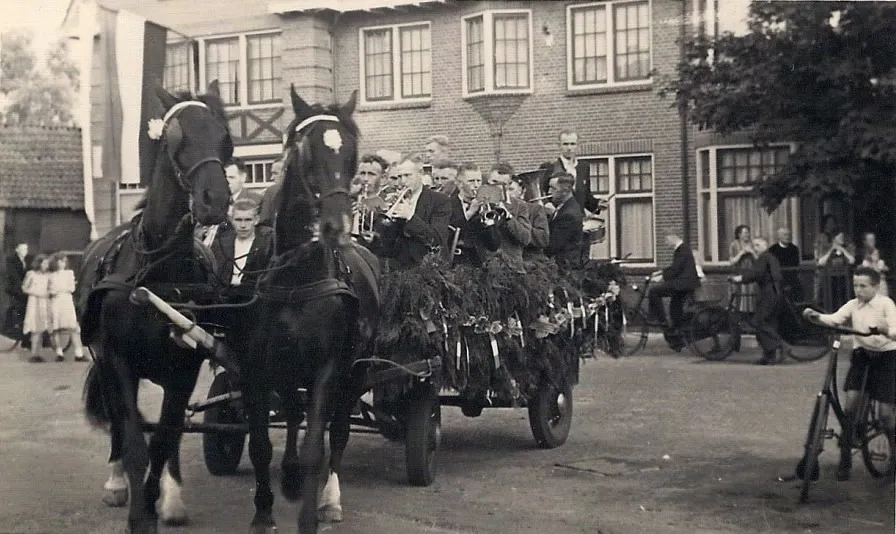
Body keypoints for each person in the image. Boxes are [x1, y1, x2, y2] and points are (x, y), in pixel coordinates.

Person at [803, 266, 896, 481]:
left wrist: (885, 331)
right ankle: (845, 457)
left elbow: (894, 329)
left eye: (863, 286)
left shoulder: (885, 304)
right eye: (855, 285)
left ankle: (893, 451)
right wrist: (816, 316)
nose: (858, 290)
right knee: (850, 406)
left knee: (884, 413)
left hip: (886, 357)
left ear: (875, 286)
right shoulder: (854, 305)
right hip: (862, 355)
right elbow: (835, 319)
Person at [374, 156, 452, 269]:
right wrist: (386, 213)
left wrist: (410, 216)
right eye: (399, 177)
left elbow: (437, 240)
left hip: (427, 263)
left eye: (407, 175)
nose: (403, 181)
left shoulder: (440, 200)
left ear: (420, 173)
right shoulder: (397, 199)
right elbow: (387, 243)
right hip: (399, 261)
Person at [731, 237, 791, 365]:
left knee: (759, 321)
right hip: (776, 293)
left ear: (765, 246)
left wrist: (740, 278)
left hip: (768, 293)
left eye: (757, 245)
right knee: (769, 323)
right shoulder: (771, 257)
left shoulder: (764, 257)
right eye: (754, 246)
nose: (755, 248)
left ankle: (782, 345)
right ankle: (769, 356)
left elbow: (757, 273)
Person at [647, 234, 701, 351]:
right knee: (674, 309)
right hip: (684, 284)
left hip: (682, 284)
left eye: (666, 240)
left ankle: (661, 321)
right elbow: (675, 267)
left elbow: (676, 270)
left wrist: (661, 277)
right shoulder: (683, 249)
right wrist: (660, 272)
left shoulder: (682, 249)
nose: (666, 244)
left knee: (654, 291)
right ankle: (676, 338)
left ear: (672, 237)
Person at [208, 199, 273, 290]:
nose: (243, 225)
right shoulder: (220, 243)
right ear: (231, 220)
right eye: (238, 220)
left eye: (248, 220)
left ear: (256, 220)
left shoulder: (266, 245)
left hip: (253, 296)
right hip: (224, 296)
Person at [448, 162, 501, 267]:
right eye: (471, 181)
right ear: (459, 183)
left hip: (479, 266)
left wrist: (488, 221)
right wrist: (470, 213)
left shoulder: (487, 207)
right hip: (456, 264)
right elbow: (448, 235)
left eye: (479, 181)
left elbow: (494, 245)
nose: (476, 185)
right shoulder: (447, 204)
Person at [538, 130, 602, 215]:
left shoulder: (583, 167)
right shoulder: (549, 167)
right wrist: (547, 204)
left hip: (578, 219)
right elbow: (540, 193)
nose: (569, 148)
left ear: (578, 146)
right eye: (565, 144)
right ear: (559, 146)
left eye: (572, 144)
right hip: (558, 219)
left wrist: (598, 204)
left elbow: (586, 196)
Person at [485, 163, 532, 261]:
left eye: (502, 184)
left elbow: (526, 238)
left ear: (509, 184)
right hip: (484, 264)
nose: (497, 186)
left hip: (511, 265)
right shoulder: (477, 202)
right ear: (488, 180)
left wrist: (507, 215)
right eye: (494, 181)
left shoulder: (520, 205)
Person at [48, 253, 86, 362]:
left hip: (67, 301)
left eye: (63, 261)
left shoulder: (69, 273)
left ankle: (79, 353)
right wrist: (59, 290)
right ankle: (59, 353)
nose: (62, 264)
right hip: (56, 301)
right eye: (59, 261)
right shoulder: (52, 275)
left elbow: (71, 288)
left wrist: (61, 289)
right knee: (56, 328)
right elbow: (51, 290)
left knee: (73, 327)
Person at [544, 172, 583, 269]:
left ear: (565, 191)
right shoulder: (566, 207)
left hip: (564, 267)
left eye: (553, 188)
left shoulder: (568, 215)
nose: (549, 192)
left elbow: (552, 246)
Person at [22, 254, 52, 363]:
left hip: (44, 302)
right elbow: (24, 288)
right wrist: (35, 292)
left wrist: (48, 293)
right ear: (39, 263)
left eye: (47, 263)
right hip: (34, 302)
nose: (46, 265)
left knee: (41, 328)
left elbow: (50, 288)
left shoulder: (48, 275)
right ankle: (33, 353)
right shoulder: (31, 274)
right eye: (44, 263)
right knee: (35, 328)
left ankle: (38, 353)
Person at [817, 230, 856, 310]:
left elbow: (852, 260)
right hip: (830, 281)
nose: (842, 239)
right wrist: (831, 250)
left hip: (844, 280)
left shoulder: (847, 247)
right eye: (840, 237)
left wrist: (843, 250)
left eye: (843, 237)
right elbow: (821, 262)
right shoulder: (826, 248)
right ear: (834, 238)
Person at [4, 242, 32, 342]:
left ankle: (24, 334)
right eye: (23, 249)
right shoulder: (11, 260)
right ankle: (10, 328)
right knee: (16, 308)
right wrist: (22, 287)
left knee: (27, 311)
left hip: (25, 289)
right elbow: (14, 276)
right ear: (17, 249)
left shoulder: (28, 260)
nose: (25, 251)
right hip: (15, 290)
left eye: (26, 249)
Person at [728, 225, 758, 313]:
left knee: (751, 297)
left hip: (750, 274)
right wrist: (741, 253)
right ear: (739, 234)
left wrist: (752, 252)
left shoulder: (753, 245)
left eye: (748, 232)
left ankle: (751, 316)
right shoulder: (734, 244)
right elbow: (732, 261)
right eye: (745, 233)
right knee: (738, 297)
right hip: (738, 273)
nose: (747, 235)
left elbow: (759, 261)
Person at [769, 227, 803, 302]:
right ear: (779, 236)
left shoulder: (794, 249)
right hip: (778, 279)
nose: (787, 237)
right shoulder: (772, 249)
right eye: (785, 235)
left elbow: (795, 264)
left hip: (791, 278)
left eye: (788, 235)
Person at [859, 232, 889, 297]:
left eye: (873, 239)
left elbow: (886, 268)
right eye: (869, 240)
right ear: (865, 242)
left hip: (880, 284)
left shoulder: (880, 253)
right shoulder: (861, 254)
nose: (872, 242)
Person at [257, 157, 285, 227]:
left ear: (286, 172)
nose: (272, 177)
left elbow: (264, 221)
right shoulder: (304, 192)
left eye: (275, 173)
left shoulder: (271, 191)